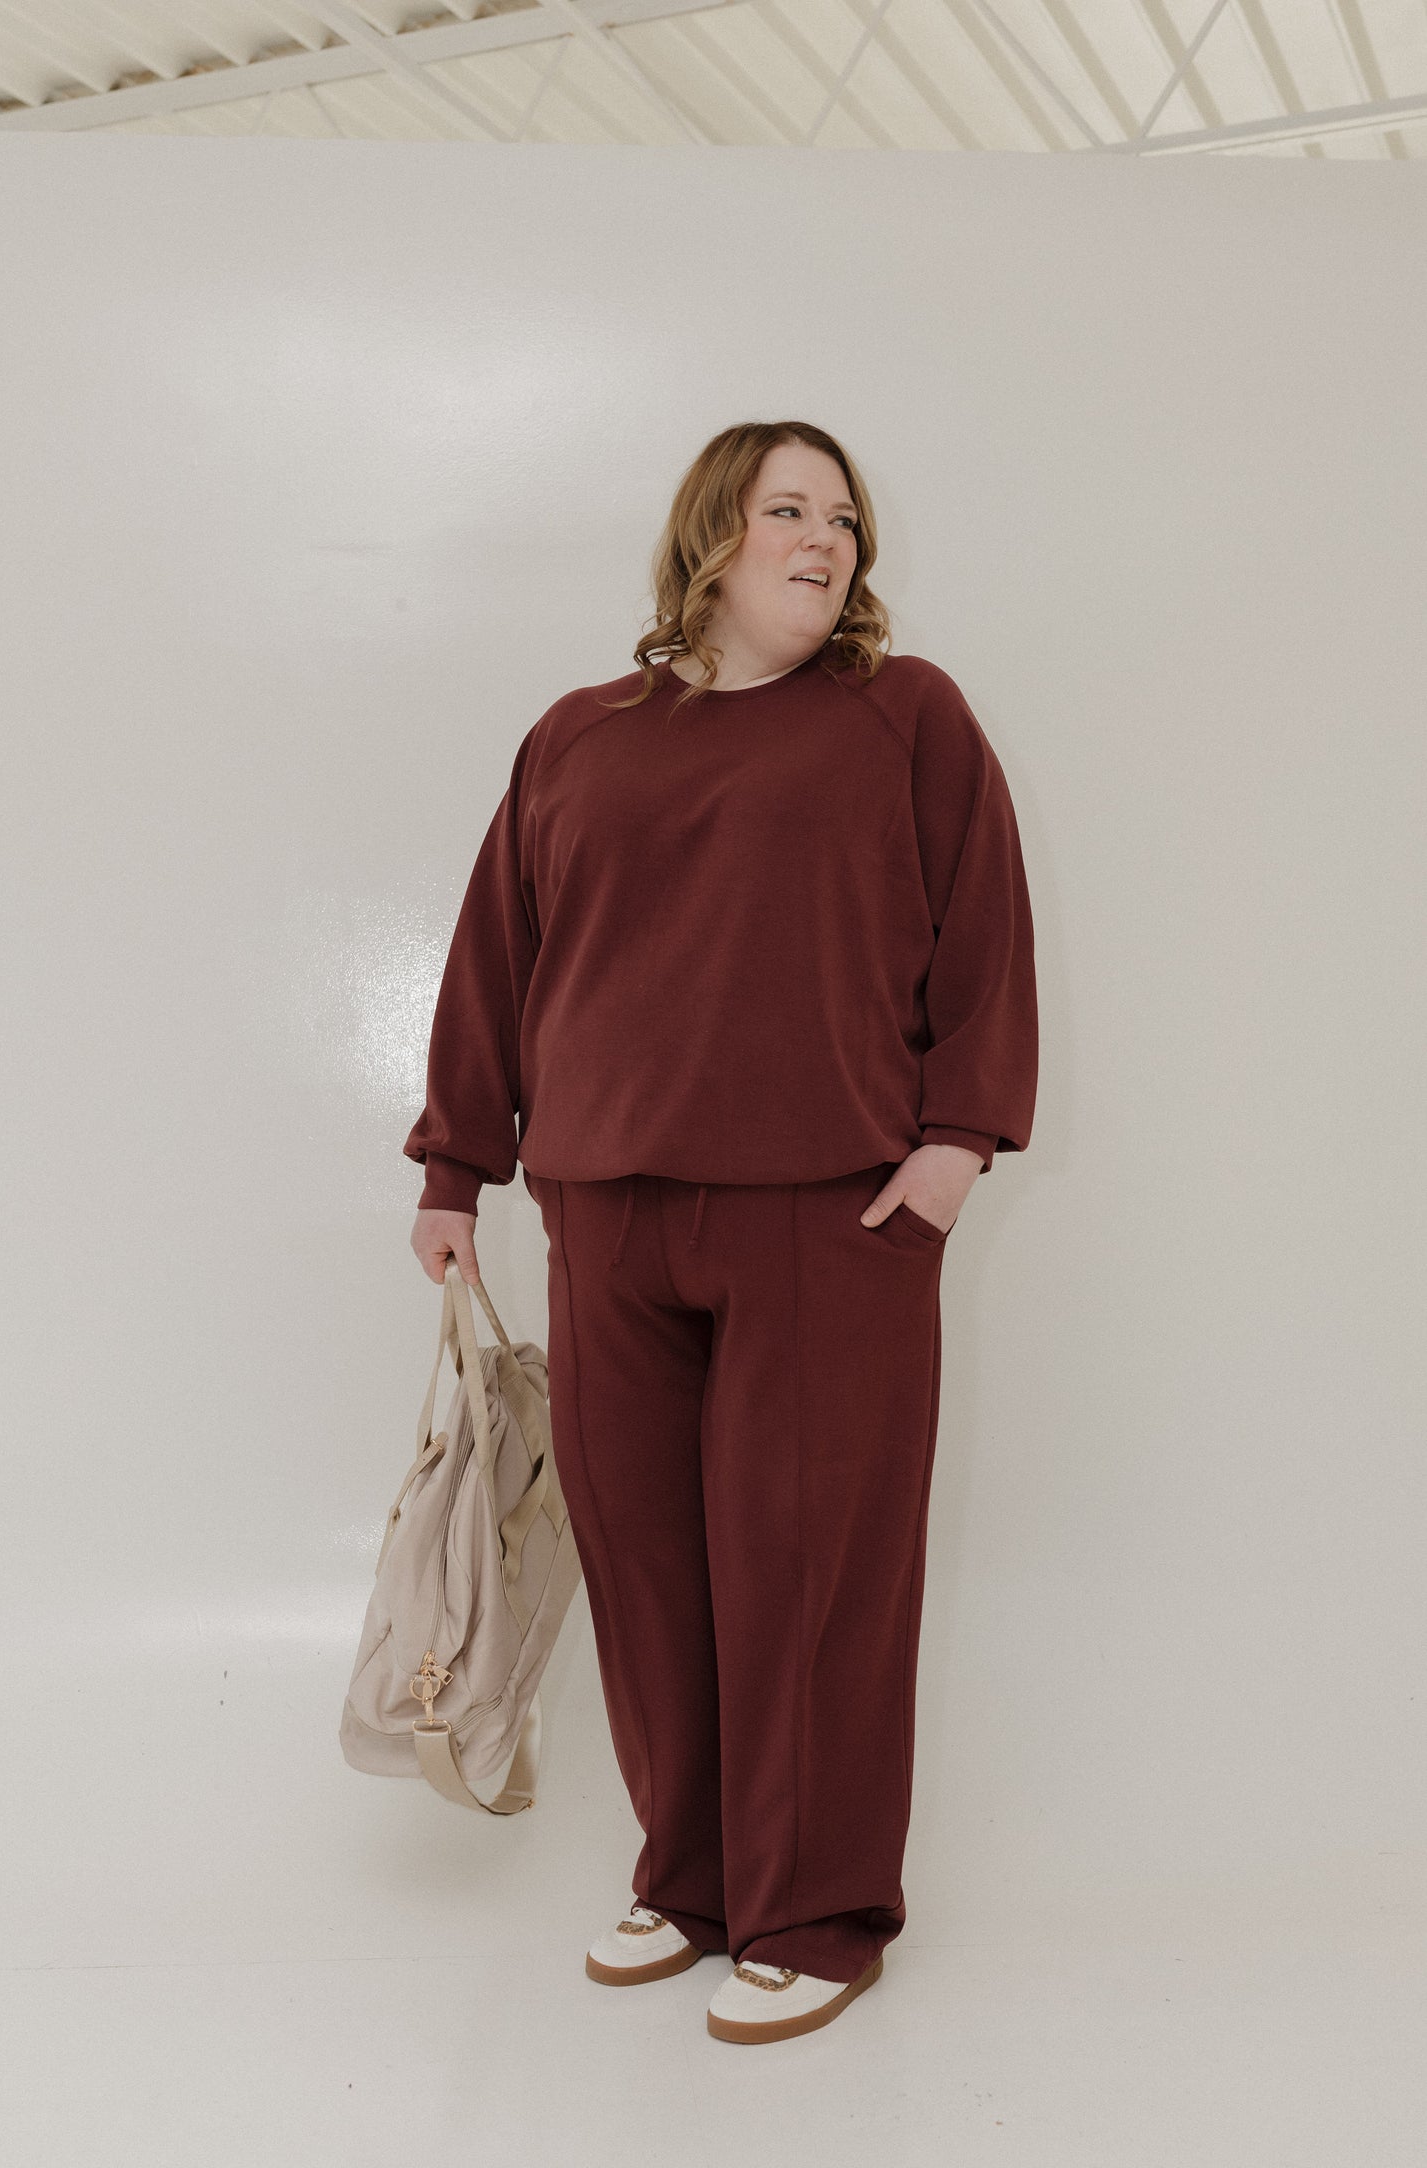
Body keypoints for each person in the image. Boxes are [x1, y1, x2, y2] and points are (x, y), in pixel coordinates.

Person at [403, 419, 1038, 2047]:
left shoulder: (903, 717)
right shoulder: (578, 734)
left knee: (812, 1570)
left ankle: (815, 1909)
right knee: (650, 1563)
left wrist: (959, 1140)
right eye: (787, 512)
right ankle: (689, 1881)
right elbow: (500, 951)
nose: (826, 541)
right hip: (609, 1210)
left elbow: (982, 928)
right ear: (709, 537)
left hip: (831, 1220)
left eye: (844, 521)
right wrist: (456, 1165)